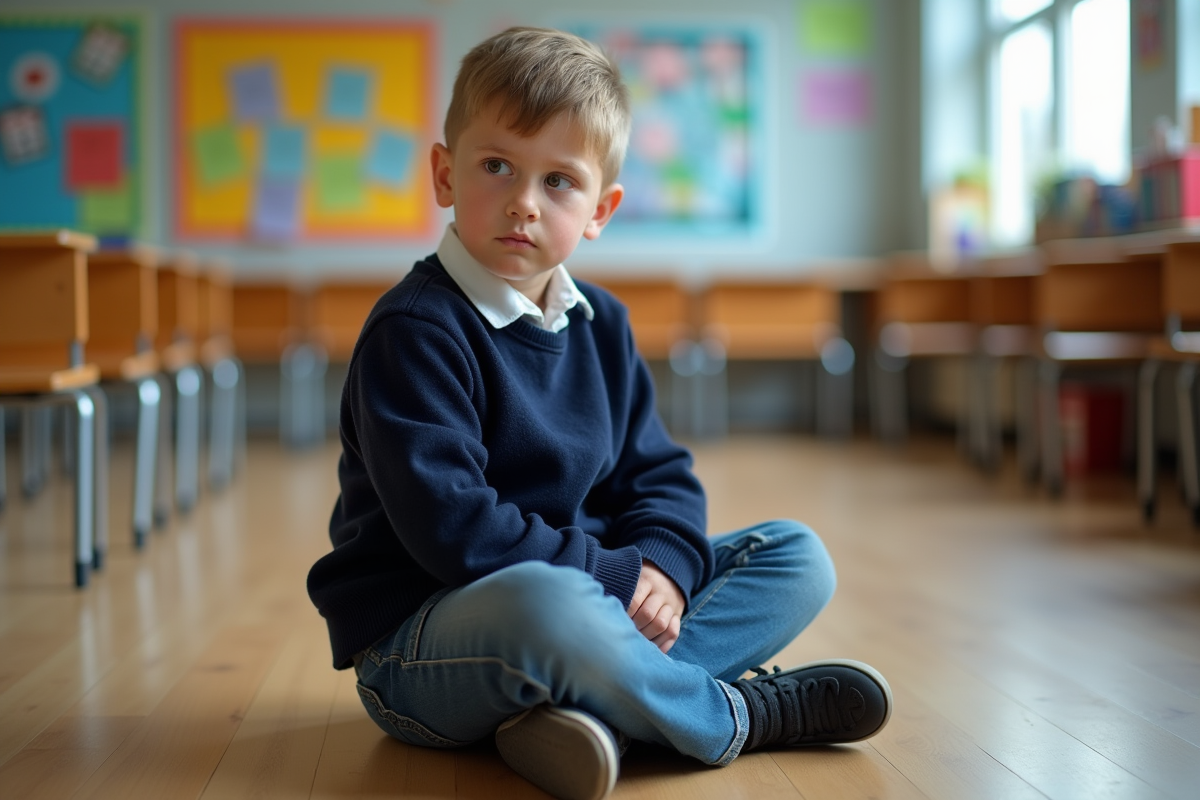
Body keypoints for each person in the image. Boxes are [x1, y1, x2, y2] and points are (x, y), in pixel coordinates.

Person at [307, 26, 892, 800]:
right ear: (445, 175)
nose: (522, 202)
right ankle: (732, 716)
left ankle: (592, 714)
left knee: (797, 556)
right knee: (551, 605)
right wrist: (616, 579)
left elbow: (658, 473)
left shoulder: (602, 323)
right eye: (496, 167)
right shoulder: (414, 330)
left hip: (587, 612)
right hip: (427, 645)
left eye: (558, 182)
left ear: (599, 210)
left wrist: (666, 570)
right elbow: (456, 532)